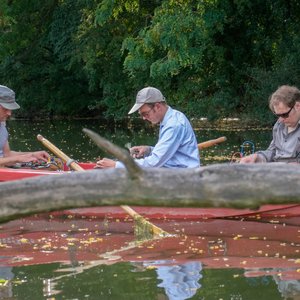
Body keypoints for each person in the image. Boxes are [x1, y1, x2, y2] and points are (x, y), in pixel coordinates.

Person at [96, 87, 200, 168]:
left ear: (158, 106)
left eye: (145, 113)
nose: (144, 118)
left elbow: (154, 163)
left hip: (184, 178)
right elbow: (172, 153)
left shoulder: (173, 125)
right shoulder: (172, 117)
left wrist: (116, 165)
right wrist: (149, 150)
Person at [240, 85, 300, 163]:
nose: (281, 120)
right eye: (278, 115)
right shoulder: (279, 125)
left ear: (298, 106)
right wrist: (257, 157)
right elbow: (272, 152)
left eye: (284, 114)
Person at [0, 84, 49, 167]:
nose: (9, 113)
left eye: (10, 109)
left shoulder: (2, 126)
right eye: (5, 108)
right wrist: (18, 159)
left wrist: (32, 155)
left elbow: (7, 156)